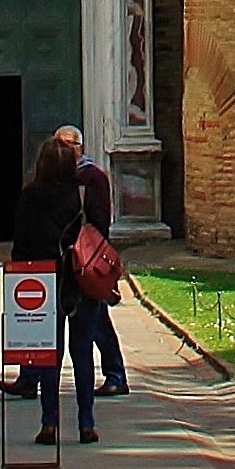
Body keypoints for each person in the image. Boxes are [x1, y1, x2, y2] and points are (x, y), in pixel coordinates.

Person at [7, 129, 100, 444]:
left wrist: (18, 283)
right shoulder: (84, 194)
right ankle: (86, 423)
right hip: (82, 280)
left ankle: (49, 423)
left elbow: (21, 246)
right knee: (82, 353)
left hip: (44, 281)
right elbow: (100, 235)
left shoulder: (30, 197)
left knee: (49, 355)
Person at [68, 126, 128, 396]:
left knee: (97, 318)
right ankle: (31, 375)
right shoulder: (55, 177)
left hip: (85, 261)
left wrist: (93, 255)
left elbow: (101, 220)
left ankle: (116, 374)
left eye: (68, 144)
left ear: (79, 146)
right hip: (64, 261)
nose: (63, 149)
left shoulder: (93, 177)